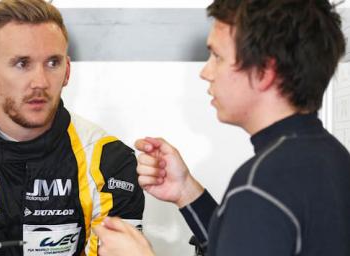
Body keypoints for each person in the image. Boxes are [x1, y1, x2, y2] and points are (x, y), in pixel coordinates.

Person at [94, 0, 350, 255]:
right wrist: (185, 191)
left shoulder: (259, 186)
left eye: (217, 56)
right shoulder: (334, 158)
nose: (205, 72)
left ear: (264, 71)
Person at [0, 0, 145, 255]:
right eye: (22, 63)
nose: (40, 82)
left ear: (67, 71)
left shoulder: (108, 161)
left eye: (53, 63)